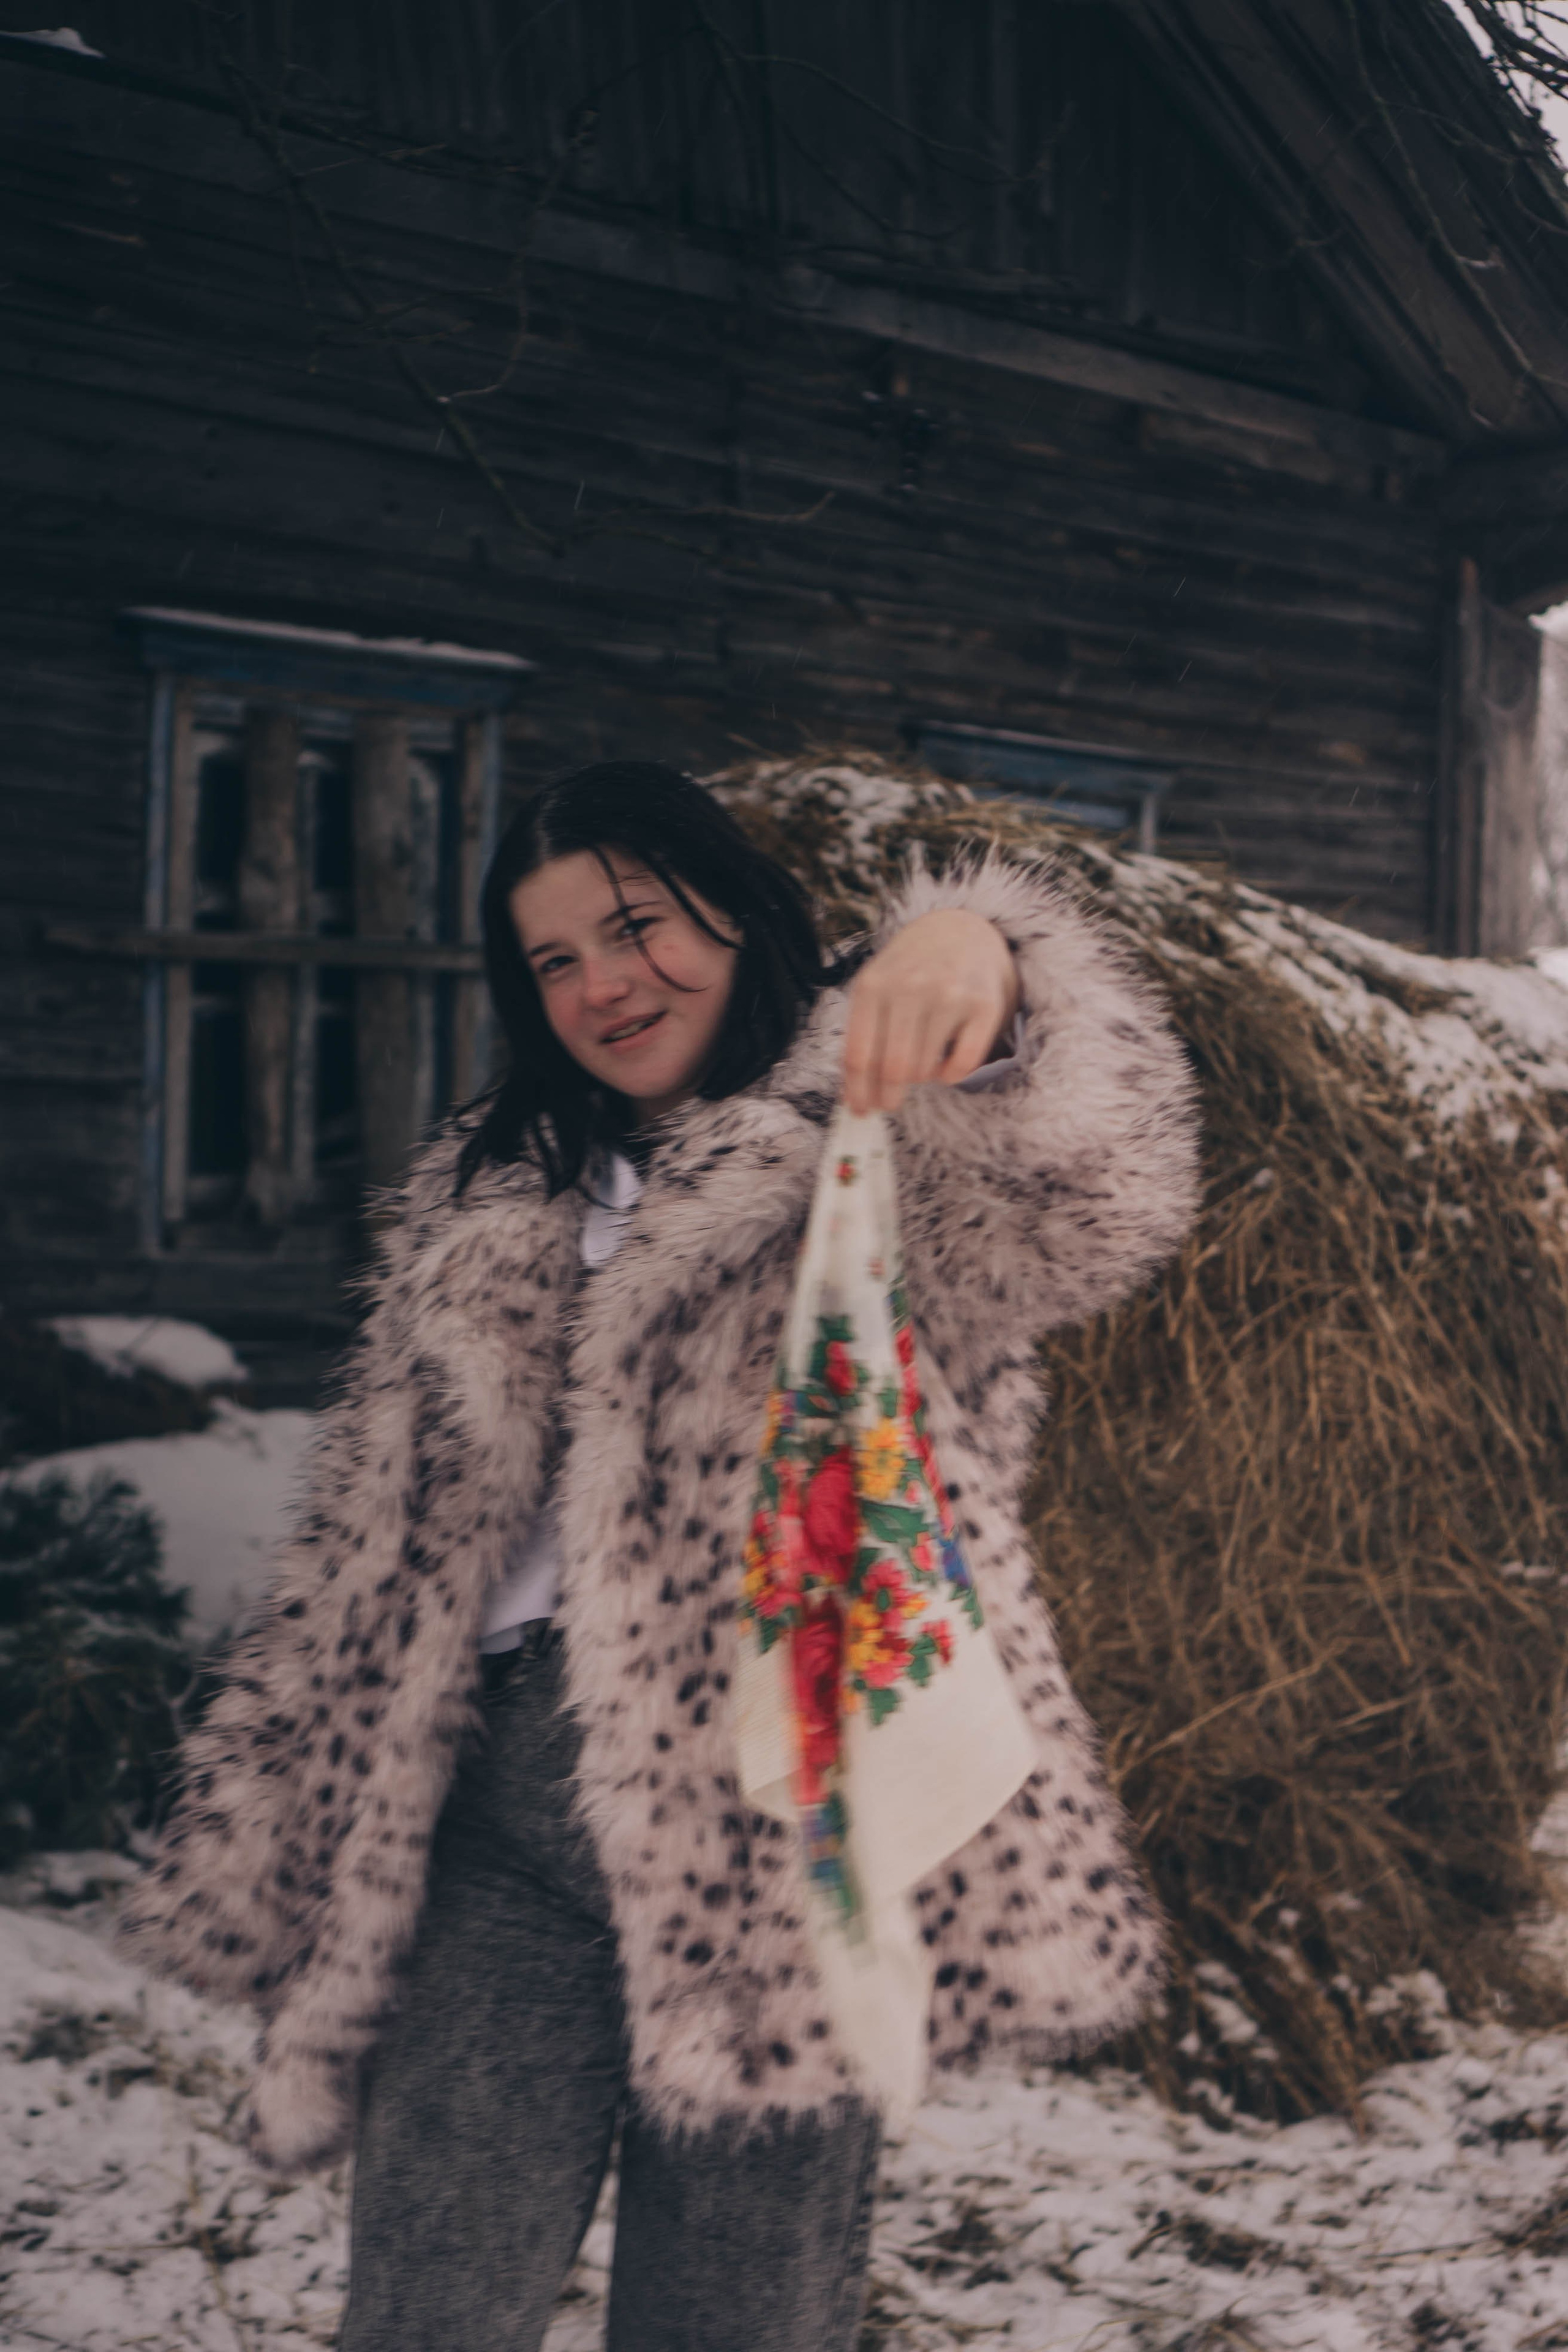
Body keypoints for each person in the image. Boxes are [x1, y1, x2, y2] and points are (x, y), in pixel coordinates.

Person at [121, 760, 1199, 2352]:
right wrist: (280, 1813)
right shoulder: (491, 1187)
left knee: (738, 2323)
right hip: (492, 1809)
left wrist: (986, 948)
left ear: (736, 906)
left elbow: (1096, 1196)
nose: (602, 983)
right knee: (428, 2310)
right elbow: (366, 1553)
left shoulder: (882, 1140)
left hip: (775, 1817)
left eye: (635, 926)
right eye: (553, 959)